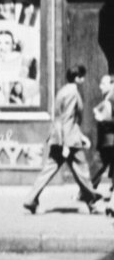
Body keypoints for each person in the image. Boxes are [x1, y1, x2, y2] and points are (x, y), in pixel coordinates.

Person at [24, 65, 102, 215]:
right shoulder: (73, 93)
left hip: (58, 135)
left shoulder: (63, 91)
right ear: (78, 78)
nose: (83, 79)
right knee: (82, 171)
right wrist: (67, 143)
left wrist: (80, 136)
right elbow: (68, 118)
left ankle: (30, 199)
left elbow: (62, 117)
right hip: (68, 139)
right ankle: (92, 202)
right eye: (82, 77)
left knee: (49, 169)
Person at [90, 75, 114, 196]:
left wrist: (102, 119)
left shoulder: (111, 97)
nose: (100, 87)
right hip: (108, 140)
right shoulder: (109, 97)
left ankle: (86, 192)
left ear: (112, 84)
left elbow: (108, 118)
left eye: (103, 84)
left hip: (109, 140)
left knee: (98, 164)